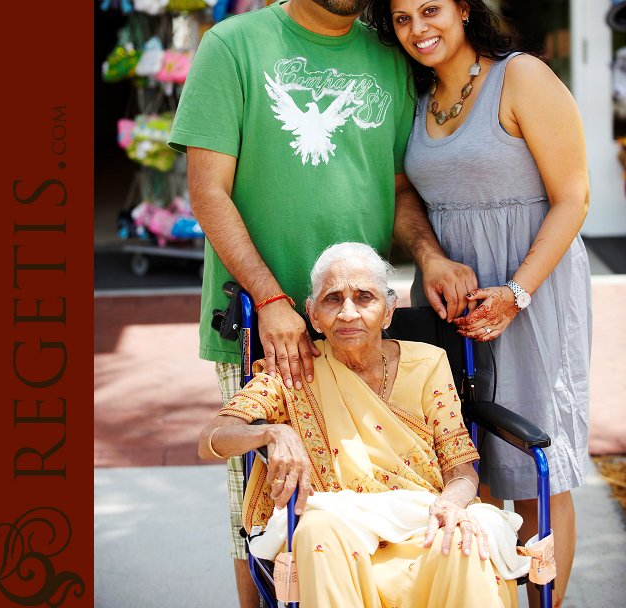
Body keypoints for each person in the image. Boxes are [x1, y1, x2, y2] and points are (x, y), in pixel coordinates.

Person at [167, 0, 476, 607]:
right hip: (265, 323)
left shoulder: (386, 55)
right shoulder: (234, 44)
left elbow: (397, 186)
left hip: (363, 321)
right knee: (268, 512)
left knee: (362, 504)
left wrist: (426, 254)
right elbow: (208, 192)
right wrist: (273, 300)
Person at [366, 0, 591, 608]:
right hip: (448, 302)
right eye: (403, 19)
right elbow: (405, 195)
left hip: (532, 291)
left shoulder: (521, 77)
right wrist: (431, 259)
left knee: (537, 475)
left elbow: (574, 197)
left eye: (430, 10)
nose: (418, 28)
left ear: (463, 8)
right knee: (465, 464)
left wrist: (517, 294)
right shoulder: (416, 97)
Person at [200, 242, 529, 608]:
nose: (348, 313)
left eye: (364, 297)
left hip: (420, 523)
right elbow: (212, 437)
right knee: (315, 528)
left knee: (464, 541)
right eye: (332, 299)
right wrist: (272, 431)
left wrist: (451, 504)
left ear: (389, 311)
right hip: (339, 533)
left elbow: (462, 472)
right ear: (312, 314)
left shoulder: (428, 364)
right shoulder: (292, 373)